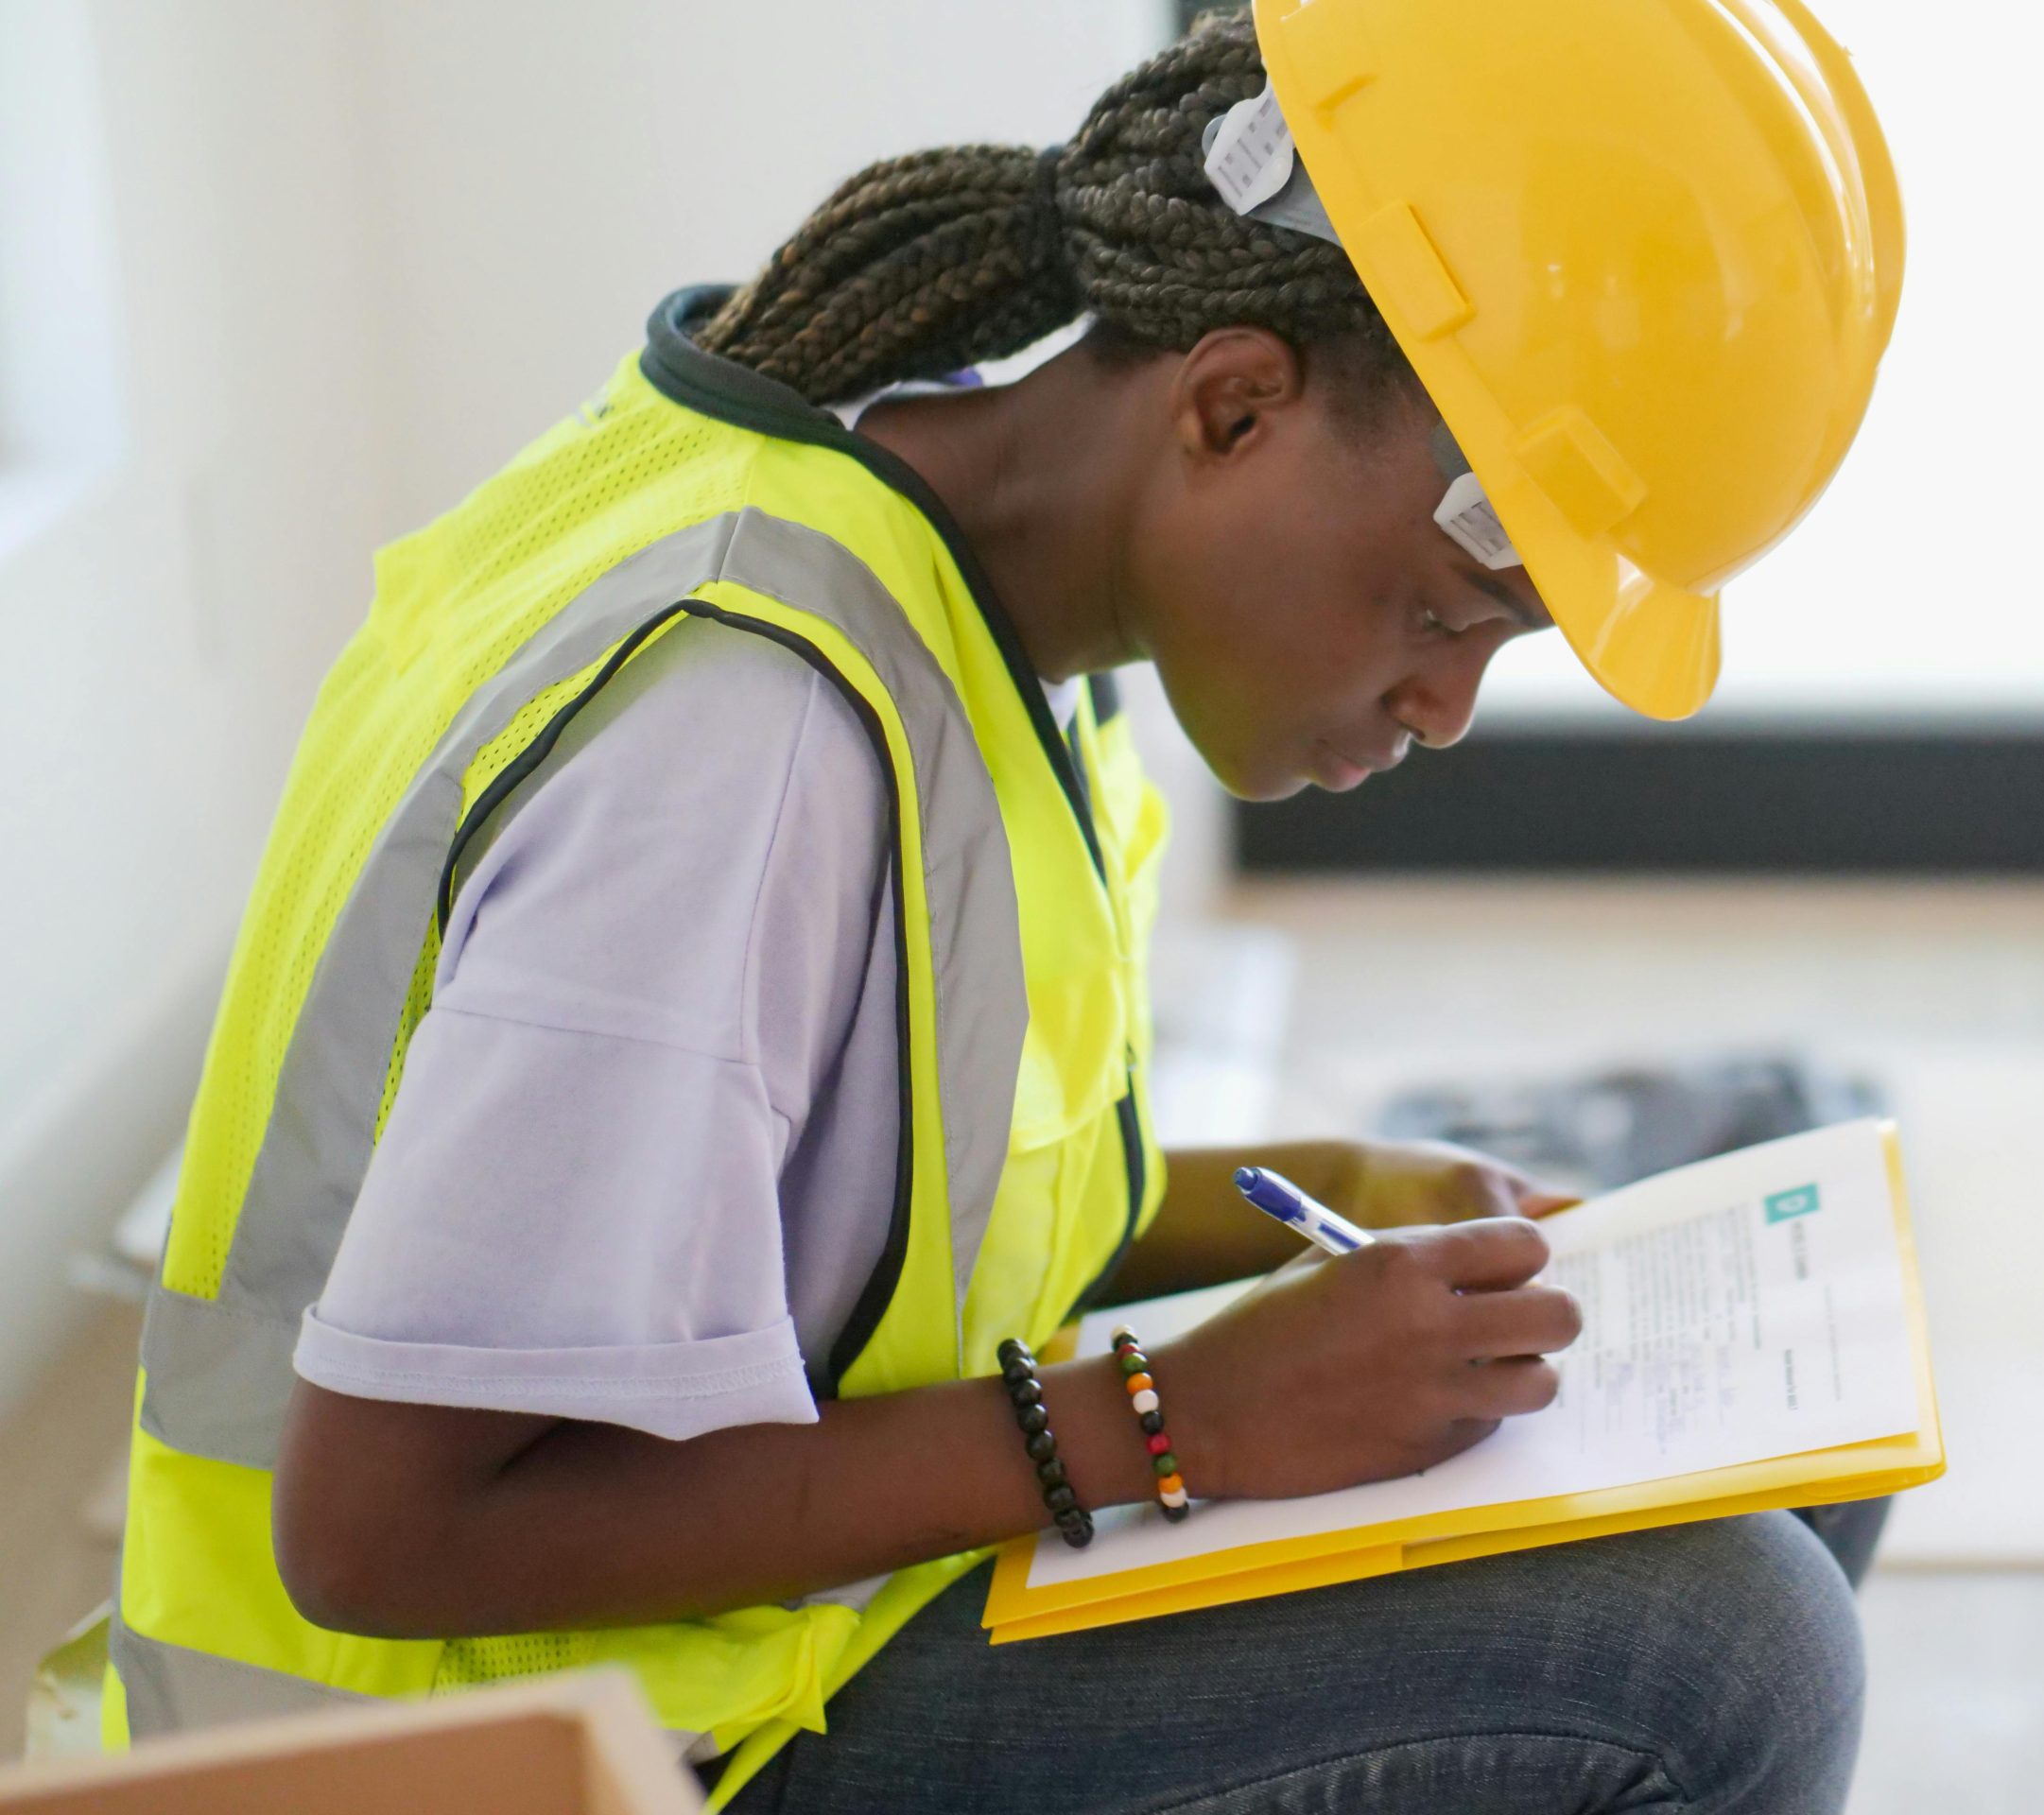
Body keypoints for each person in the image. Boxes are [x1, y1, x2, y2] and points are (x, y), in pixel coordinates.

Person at [109, 3, 1902, 1809]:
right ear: (1233, 403)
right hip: (559, 1753)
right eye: (1445, 613)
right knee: (1723, 1650)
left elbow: (882, 1239)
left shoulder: (985, 613)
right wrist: (1174, 1422)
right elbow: (386, 1534)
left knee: (1787, 1453)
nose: (1444, 709)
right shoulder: (740, 742)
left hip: (764, 1636)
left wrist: (1336, 1204)